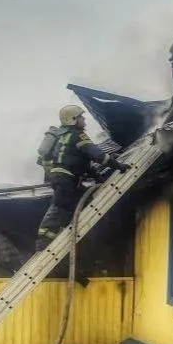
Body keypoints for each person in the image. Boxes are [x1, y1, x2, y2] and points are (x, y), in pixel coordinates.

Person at [35, 105, 131, 251]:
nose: (84, 120)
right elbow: (98, 155)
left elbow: (84, 165)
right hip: (65, 179)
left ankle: (73, 236)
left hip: (63, 178)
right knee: (60, 206)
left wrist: (99, 178)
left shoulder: (63, 137)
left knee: (85, 200)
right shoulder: (78, 135)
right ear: (73, 119)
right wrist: (118, 166)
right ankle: (43, 240)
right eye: (81, 117)